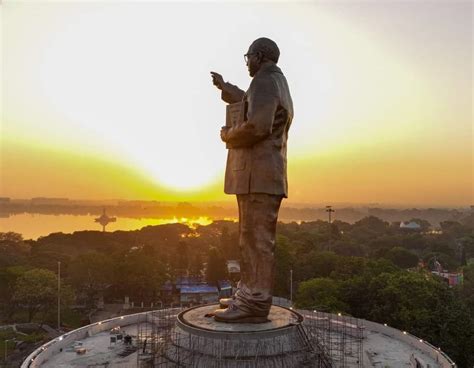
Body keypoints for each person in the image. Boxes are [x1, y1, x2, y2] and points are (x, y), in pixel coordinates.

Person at [210, 37, 293, 323]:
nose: (247, 63)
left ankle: (255, 302)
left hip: (260, 176)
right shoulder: (271, 81)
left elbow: (258, 124)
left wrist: (228, 135)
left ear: (259, 56)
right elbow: (251, 103)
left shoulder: (266, 81)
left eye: (248, 57)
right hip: (258, 176)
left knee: (257, 240)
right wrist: (226, 88)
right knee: (249, 238)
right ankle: (248, 293)